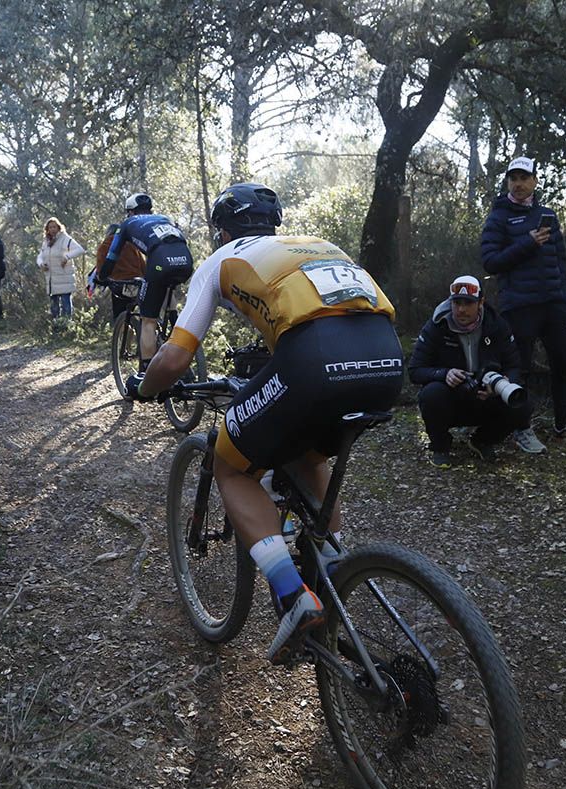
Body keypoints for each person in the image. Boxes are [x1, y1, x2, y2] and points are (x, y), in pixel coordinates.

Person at [130, 183, 402, 664]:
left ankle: (292, 597)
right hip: (386, 361)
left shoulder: (221, 261)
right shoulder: (315, 245)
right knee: (304, 449)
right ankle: (334, 572)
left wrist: (146, 388)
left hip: (315, 362)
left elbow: (173, 359)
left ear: (222, 230)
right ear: (272, 225)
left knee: (231, 464)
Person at [481, 156, 566, 451]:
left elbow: (560, 263)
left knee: (562, 366)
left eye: (524, 178)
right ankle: (522, 428)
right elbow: (490, 262)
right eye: (513, 179)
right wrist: (527, 243)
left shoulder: (548, 216)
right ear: (508, 182)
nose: (518, 184)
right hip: (519, 307)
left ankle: (562, 425)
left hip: (554, 305)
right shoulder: (498, 218)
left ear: (534, 181)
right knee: (521, 370)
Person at [408, 275, 531, 466]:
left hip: (487, 397)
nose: (461, 309)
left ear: (481, 302)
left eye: (468, 303)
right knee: (431, 394)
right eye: (456, 303)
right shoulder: (436, 325)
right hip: (452, 397)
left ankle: (483, 440)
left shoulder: (497, 325)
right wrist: (444, 374)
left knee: (522, 403)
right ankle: (440, 446)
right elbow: (415, 370)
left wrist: (503, 382)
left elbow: (515, 366)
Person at [97, 193, 194, 370]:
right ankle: (175, 325)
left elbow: (112, 256)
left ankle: (146, 373)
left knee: (148, 320)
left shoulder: (127, 224)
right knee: (166, 285)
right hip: (186, 261)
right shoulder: (164, 218)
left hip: (160, 261)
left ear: (130, 212)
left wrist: (102, 277)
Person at [88, 222, 146, 319]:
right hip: (137, 284)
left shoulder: (105, 245)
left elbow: (100, 269)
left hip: (119, 284)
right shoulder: (132, 245)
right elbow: (143, 266)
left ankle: (120, 327)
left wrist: (100, 278)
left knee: (119, 312)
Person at [36, 217, 86, 321]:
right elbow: (40, 256)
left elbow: (80, 250)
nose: (52, 229)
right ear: (47, 229)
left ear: (59, 227)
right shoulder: (46, 241)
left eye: (54, 227)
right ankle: (56, 328)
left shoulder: (65, 239)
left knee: (66, 305)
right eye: (50, 227)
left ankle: (67, 327)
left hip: (64, 279)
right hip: (51, 280)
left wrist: (67, 257)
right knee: (54, 307)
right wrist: (41, 264)